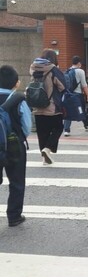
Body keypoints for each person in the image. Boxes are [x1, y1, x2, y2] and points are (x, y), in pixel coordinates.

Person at [0, 65, 32, 227]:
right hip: (14, 146)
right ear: (16, 83)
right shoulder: (18, 99)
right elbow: (27, 125)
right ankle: (14, 216)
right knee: (17, 181)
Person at [29, 49, 66, 165]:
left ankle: (45, 158)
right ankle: (48, 149)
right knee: (58, 127)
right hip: (52, 106)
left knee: (42, 132)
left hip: (37, 106)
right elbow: (63, 86)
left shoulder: (33, 68)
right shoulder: (53, 69)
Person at [63, 56, 88, 136]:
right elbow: (84, 85)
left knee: (68, 111)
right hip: (77, 95)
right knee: (81, 110)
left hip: (68, 94)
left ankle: (66, 130)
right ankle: (86, 124)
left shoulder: (67, 71)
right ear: (79, 63)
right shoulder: (80, 71)